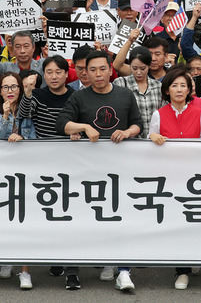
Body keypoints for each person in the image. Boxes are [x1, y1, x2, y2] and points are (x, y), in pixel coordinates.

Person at [55, 50, 143, 291]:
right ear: (85, 72)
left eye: (102, 68)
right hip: (86, 172)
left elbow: (138, 123)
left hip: (119, 170)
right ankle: (72, 271)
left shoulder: (125, 95)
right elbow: (61, 124)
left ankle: (123, 270)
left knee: (120, 218)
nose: (97, 74)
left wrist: (127, 132)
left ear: (110, 69)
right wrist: (83, 126)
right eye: (91, 70)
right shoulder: (80, 97)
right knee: (79, 219)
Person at [147, 66, 201, 290]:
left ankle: (192, 257)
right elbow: (150, 139)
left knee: (192, 220)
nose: (179, 89)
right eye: (174, 85)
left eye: (183, 86)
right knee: (177, 223)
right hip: (169, 177)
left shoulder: (199, 112)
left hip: (194, 177)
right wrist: (153, 136)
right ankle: (182, 270)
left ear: (189, 90)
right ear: (166, 90)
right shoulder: (158, 114)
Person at [0, 72, 35, 290]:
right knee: (4, 217)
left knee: (24, 220)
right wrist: (5, 117)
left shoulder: (30, 107)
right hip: (1, 172)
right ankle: (6, 258)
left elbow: (37, 136)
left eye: (14, 86)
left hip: (27, 171)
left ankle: (25, 271)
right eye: (5, 88)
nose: (10, 91)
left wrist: (23, 138)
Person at [113, 47, 162, 135]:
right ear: (129, 65)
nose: (139, 73)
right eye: (134, 68)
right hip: (129, 139)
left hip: (154, 140)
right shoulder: (120, 83)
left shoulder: (158, 86)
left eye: (143, 68)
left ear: (149, 66)